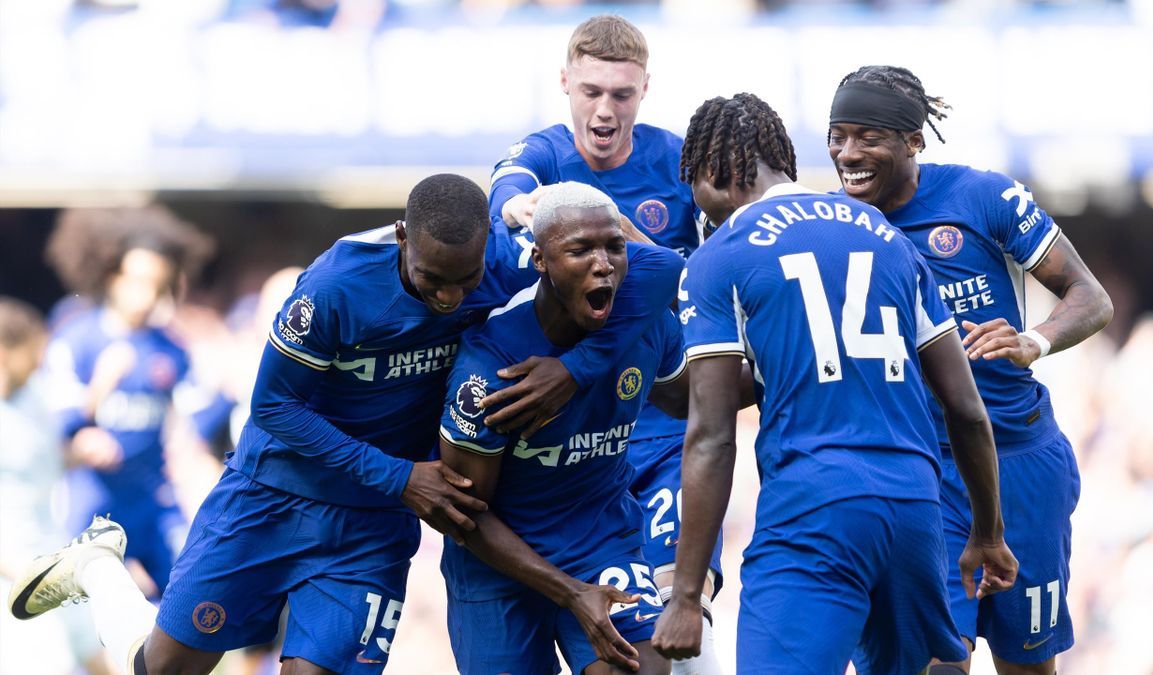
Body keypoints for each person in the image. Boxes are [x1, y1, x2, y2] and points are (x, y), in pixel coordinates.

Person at [9, 174, 683, 675]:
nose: (450, 296)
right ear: (400, 239)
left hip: (370, 522)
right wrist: (399, 474)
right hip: (275, 496)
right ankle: (98, 567)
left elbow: (662, 271)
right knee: (162, 668)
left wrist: (579, 366)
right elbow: (273, 407)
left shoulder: (507, 259)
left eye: (464, 280)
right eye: (431, 279)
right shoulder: (333, 288)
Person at [651, 93, 1018, 674]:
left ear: (714, 173)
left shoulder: (720, 256)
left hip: (814, 509)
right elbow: (967, 408)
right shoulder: (886, 234)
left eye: (691, 183)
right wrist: (988, 533)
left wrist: (686, 596)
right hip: (915, 506)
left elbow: (712, 435)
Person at [824, 66, 1113, 675]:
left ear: (913, 141)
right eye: (837, 135)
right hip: (919, 475)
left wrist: (1034, 340)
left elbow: (1091, 297)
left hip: (1019, 464)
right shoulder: (834, 228)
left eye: (868, 136)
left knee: (1027, 664)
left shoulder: (983, 197)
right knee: (932, 665)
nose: (848, 154)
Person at [486, 17, 723, 670]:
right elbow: (506, 192)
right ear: (564, 82)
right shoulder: (541, 155)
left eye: (621, 94)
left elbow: (706, 280)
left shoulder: (678, 165)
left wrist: (636, 250)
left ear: (646, 88)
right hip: (576, 443)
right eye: (590, 91)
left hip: (663, 427)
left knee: (682, 614)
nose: (604, 109)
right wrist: (521, 210)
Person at [439, 182, 690, 675]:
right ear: (540, 261)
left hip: (601, 538)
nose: (603, 264)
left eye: (614, 247)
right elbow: (463, 516)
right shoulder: (489, 369)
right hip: (499, 564)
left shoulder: (646, 325)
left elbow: (685, 400)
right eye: (579, 250)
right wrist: (571, 593)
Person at [40, 207, 213, 596]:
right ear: (110, 274)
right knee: (79, 608)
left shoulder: (172, 350)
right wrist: (94, 404)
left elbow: (190, 430)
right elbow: (55, 429)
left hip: (152, 504)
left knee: (187, 599)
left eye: (158, 284)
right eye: (137, 280)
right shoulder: (75, 340)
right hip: (90, 506)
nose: (146, 296)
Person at [0, 298, 110, 675]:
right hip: (13, 573)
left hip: (52, 554)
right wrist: (14, 567)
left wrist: (77, 453)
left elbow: (40, 460)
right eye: (33, 350)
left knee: (103, 656)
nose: (39, 359)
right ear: (5, 353)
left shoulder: (33, 397)